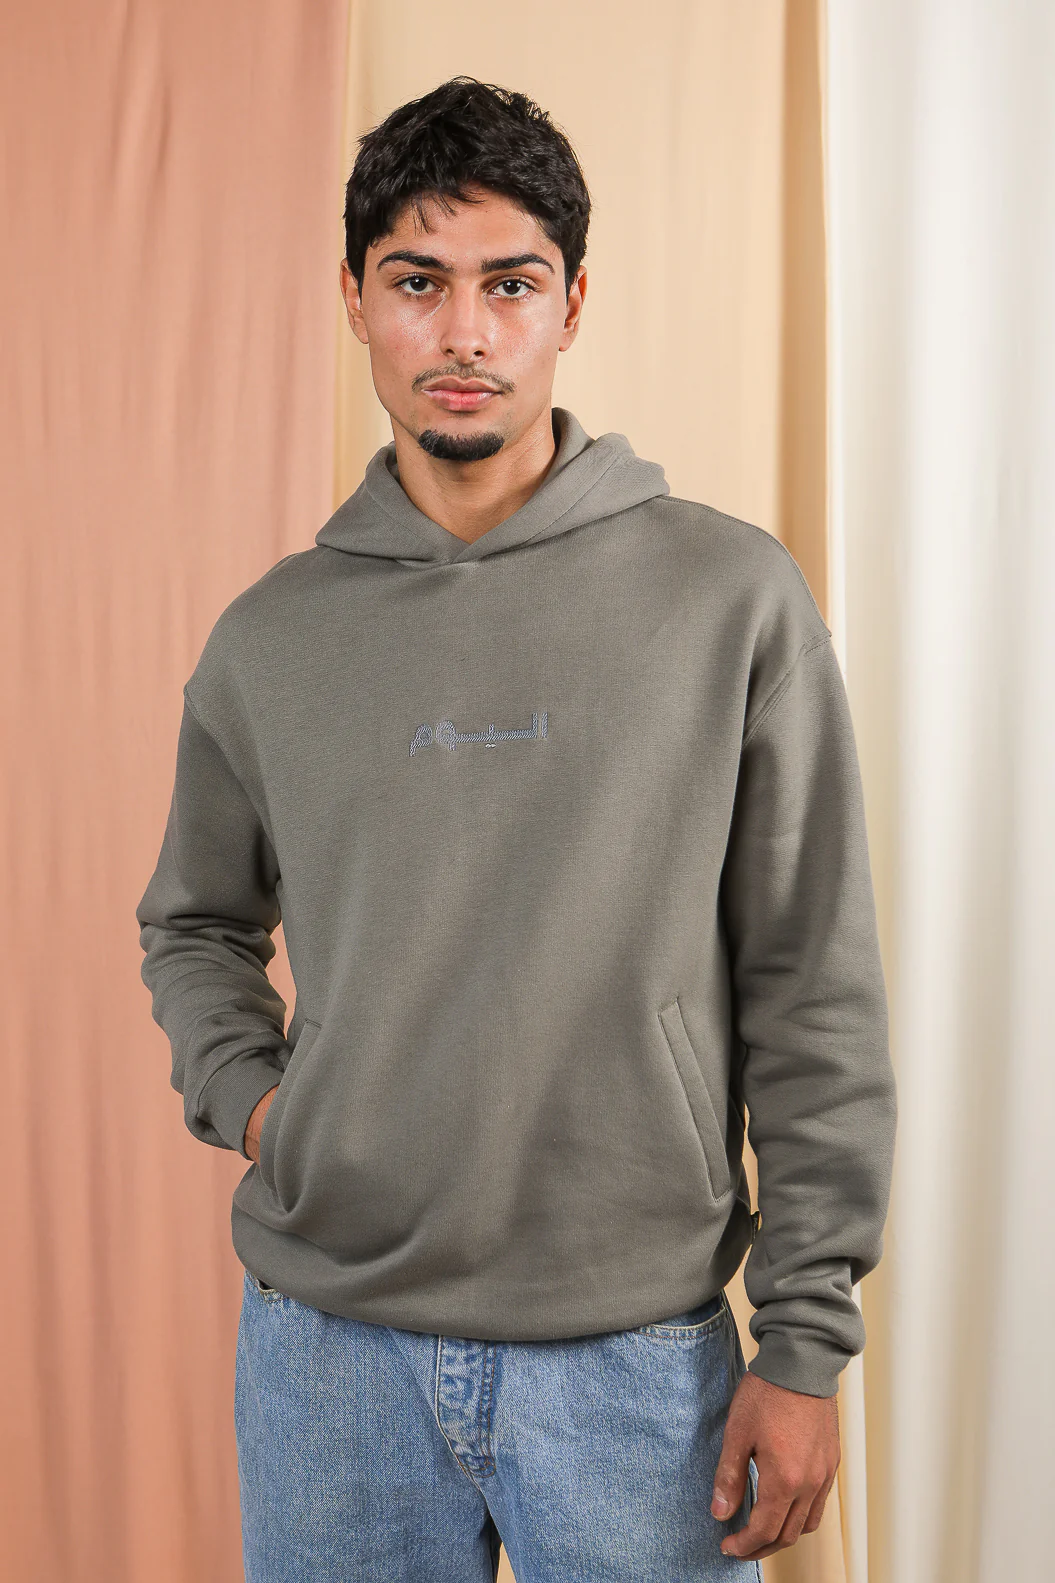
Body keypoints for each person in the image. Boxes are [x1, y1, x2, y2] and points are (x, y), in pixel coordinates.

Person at [135, 75, 897, 1583]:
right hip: (329, 1352)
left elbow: (812, 979)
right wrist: (268, 1111)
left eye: (510, 283)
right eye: (418, 283)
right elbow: (195, 924)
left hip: (636, 1357)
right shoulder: (271, 641)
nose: (465, 334)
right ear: (355, 301)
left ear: (571, 304)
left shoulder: (728, 599)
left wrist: (804, 1340)